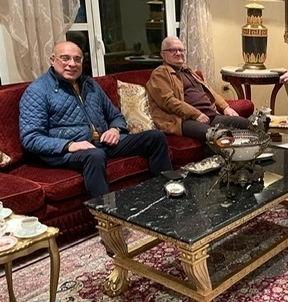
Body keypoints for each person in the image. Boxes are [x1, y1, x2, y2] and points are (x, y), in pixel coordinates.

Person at [19, 41, 172, 198]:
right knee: (95, 155)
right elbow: (31, 138)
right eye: (65, 58)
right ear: (52, 60)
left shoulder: (90, 85)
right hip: (68, 151)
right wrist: (69, 145)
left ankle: (168, 194)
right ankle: (105, 211)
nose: (72, 64)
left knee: (156, 137)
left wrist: (115, 129)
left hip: (102, 143)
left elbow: (116, 116)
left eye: (77, 59)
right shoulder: (38, 91)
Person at [146, 36, 248, 143]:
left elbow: (209, 90)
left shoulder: (187, 70)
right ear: (163, 54)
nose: (178, 53)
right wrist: (196, 114)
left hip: (210, 115)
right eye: (173, 50)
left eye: (181, 50)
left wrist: (225, 107)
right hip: (183, 120)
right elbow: (168, 101)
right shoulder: (160, 73)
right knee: (217, 136)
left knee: (244, 123)